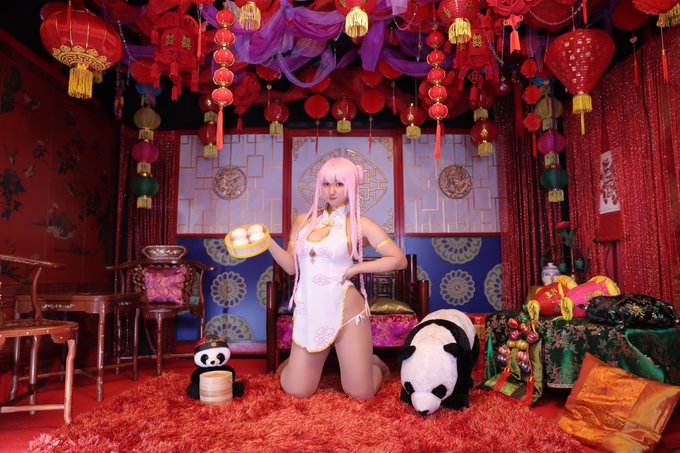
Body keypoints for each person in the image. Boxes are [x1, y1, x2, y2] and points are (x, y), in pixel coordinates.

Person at [267, 156, 407, 400]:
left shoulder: (360, 224)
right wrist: (267, 242)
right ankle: (297, 362)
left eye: (339, 184)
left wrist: (357, 269)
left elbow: (399, 259)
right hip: (311, 310)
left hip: (348, 312)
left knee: (360, 393)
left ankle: (374, 364)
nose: (331, 191)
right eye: (326, 184)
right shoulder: (303, 221)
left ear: (351, 186)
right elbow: (290, 267)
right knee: (297, 390)